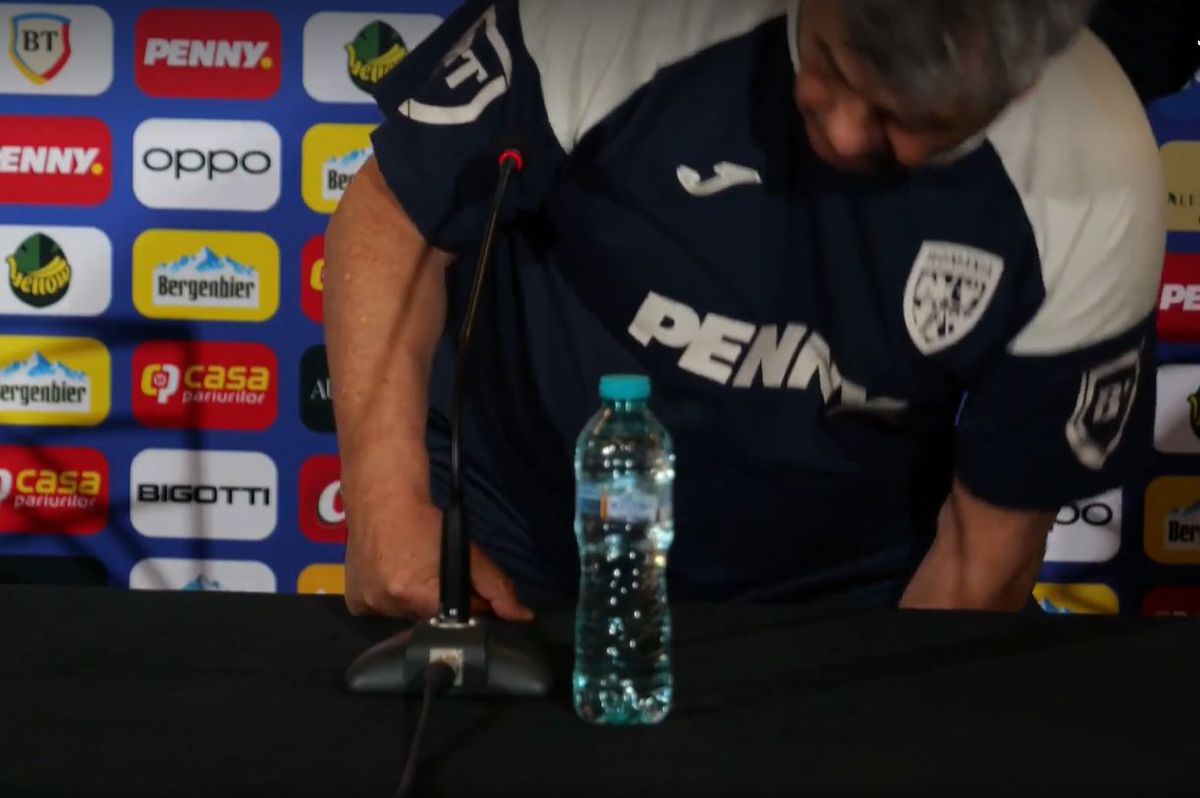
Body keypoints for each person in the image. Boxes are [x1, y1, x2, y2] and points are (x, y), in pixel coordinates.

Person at [326, 0, 1165, 619]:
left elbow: (983, 564)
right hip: (520, 531)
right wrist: (385, 503)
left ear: (1016, 86)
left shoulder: (1091, 171)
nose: (844, 134)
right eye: (831, 64)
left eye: (906, 118)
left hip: (848, 595)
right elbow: (394, 215)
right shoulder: (611, 18)